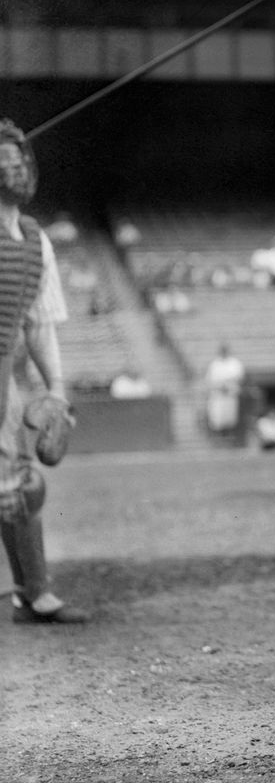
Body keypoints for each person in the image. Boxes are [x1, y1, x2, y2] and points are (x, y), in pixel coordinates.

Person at [0, 119, 87, 623]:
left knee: (23, 487)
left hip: (6, 379)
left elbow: (37, 326)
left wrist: (55, 388)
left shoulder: (34, 240)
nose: (15, 170)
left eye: (19, 160)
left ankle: (31, 594)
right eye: (3, 163)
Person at [204, 343, 245, 433]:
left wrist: (227, 384)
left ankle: (230, 431)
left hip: (230, 393)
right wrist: (220, 386)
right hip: (218, 394)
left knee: (230, 415)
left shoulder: (235, 363)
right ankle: (218, 432)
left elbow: (239, 377)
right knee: (218, 415)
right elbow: (210, 379)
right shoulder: (214, 364)